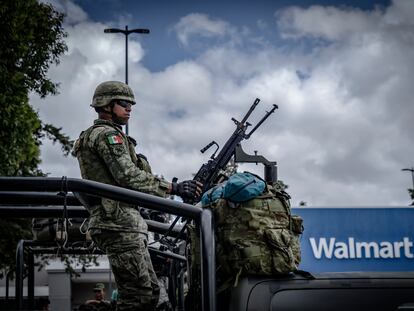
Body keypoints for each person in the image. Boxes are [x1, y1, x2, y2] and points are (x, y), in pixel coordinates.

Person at [73, 80, 202, 311]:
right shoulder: (106, 136)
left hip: (123, 222)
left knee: (151, 293)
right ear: (106, 105)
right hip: (118, 224)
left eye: (131, 104)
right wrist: (174, 188)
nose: (129, 108)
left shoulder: (100, 135)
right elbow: (128, 176)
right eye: (124, 103)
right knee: (138, 298)